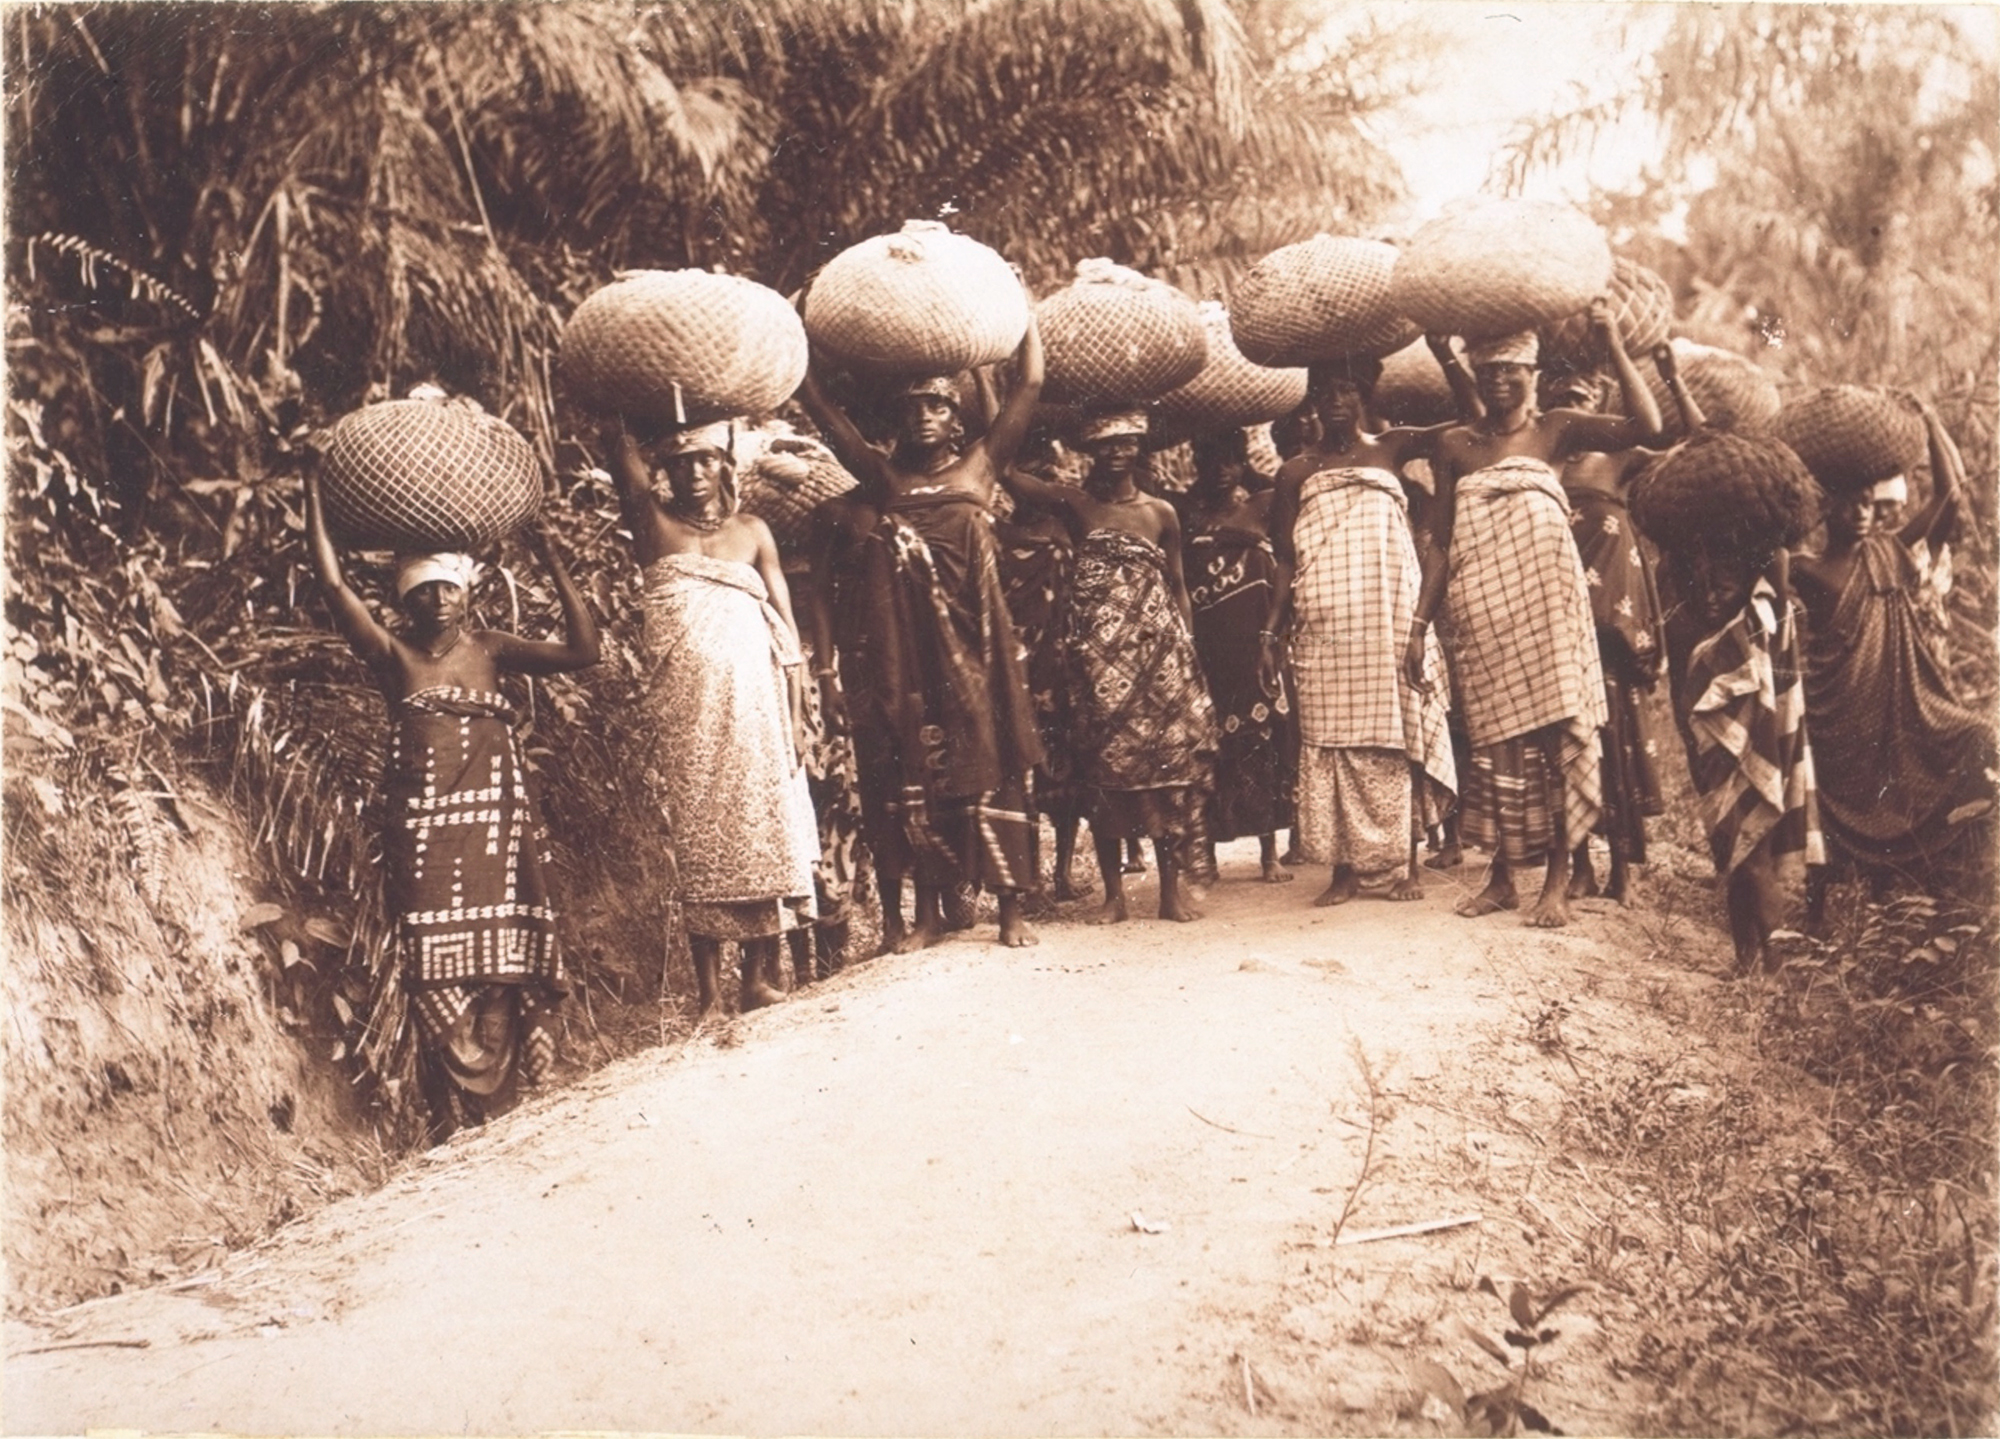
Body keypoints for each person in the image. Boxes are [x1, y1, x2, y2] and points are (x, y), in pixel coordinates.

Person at [303, 475, 599, 1144]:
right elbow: (332, 585)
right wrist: (314, 483)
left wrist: (551, 559)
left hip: (496, 829)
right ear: (403, 600)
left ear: (468, 591)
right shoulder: (394, 653)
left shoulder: (490, 648)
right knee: (434, 962)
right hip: (424, 832)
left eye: (448, 587)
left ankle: (504, 1103)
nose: (438, 600)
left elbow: (586, 650)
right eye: (422, 589)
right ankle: (447, 1117)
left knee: (500, 959)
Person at [1407, 304, 1663, 927]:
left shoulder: (1559, 430)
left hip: (1549, 610)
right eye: (1488, 368)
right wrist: (1418, 626)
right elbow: (1439, 541)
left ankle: (1554, 881)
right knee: (1494, 742)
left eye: (1512, 369)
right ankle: (1501, 879)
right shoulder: (1455, 446)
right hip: (1482, 612)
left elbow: (1645, 423)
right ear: (1473, 370)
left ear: (1533, 371)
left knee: (1555, 739)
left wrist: (1611, 339)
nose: (1500, 380)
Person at [799, 323, 1046, 951]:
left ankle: (1011, 908)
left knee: (993, 767)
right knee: (916, 773)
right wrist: (796, 341)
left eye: (935, 405)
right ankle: (930, 913)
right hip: (907, 660)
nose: (922, 418)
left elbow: (1031, 383)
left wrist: (1020, 314)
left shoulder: (981, 467)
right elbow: (825, 413)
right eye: (910, 409)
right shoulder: (884, 483)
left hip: (977, 657)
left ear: (956, 416)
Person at [605, 419, 821, 1015]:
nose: (693, 474)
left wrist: (800, 707)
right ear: (663, 473)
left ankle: (754, 979)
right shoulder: (655, 526)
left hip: (757, 703)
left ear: (724, 464)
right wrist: (625, 404)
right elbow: (623, 458)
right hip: (688, 710)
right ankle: (706, 994)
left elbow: (786, 626)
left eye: (703, 461)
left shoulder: (753, 532)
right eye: (679, 464)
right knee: (700, 839)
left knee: (761, 828)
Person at [1000, 408, 1217, 924]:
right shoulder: (1078, 506)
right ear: (1091, 452)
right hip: (1096, 658)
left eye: (1126, 442)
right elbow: (1010, 478)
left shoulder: (1162, 512)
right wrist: (1000, 402)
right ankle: (1113, 896)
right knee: (1101, 770)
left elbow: (1179, 587)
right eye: (1106, 443)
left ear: (1139, 447)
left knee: (1165, 769)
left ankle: (1169, 892)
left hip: (1158, 655)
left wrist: (1187, 649)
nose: (1116, 452)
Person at [1262, 358, 1457, 904]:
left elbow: (1468, 424)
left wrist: (1443, 356)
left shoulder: (1391, 448)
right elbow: (1283, 559)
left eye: (1347, 390)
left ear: (1365, 395)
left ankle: (1406, 866)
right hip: (1324, 625)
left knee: (1401, 732)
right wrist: (1270, 635)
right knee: (1332, 742)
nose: (1336, 402)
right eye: (1325, 392)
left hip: (1388, 618)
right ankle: (1344, 872)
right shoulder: (1296, 471)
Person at [1788, 400, 1993, 920]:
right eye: (1846, 505)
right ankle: (1816, 915)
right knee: (1833, 804)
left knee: (1974, 734)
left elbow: (1949, 494)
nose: (1858, 514)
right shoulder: (1805, 568)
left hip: (1898, 705)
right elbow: (1772, 544)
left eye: (1866, 504)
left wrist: (1928, 424)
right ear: (1825, 510)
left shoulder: (1888, 551)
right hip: (1838, 714)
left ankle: (1946, 894)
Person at [1544, 351, 1677, 902]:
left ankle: (1621, 868)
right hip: (1558, 622)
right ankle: (1580, 866)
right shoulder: (1539, 462)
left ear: (1596, 405)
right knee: (1569, 744)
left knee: (1616, 739)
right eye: (1562, 401)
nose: (1572, 411)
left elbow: (1677, 435)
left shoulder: (1617, 457)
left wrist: (1655, 370)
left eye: (1582, 400)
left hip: (1613, 629)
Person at [1664, 542, 1825, 972]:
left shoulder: (1759, 617)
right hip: (1714, 752)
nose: (1711, 597)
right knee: (1731, 855)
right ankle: (1744, 959)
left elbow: (1778, 558)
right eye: (1703, 589)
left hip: (1756, 749)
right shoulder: (1691, 623)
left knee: (1754, 859)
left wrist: (1753, 523)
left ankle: (1775, 968)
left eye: (1722, 588)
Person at [1184, 428, 1297, 884]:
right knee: (1208, 749)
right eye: (1210, 460)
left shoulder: (1262, 503)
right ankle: (1206, 856)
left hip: (1253, 642)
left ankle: (1269, 854)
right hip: (1206, 645)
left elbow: (1289, 487)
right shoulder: (1184, 511)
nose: (1220, 470)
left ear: (1242, 462)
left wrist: (1273, 637)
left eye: (1229, 460)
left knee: (1261, 743)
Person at [993, 430, 1089, 907]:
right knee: (1023, 775)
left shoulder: (1064, 531)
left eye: (1046, 479)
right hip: (1015, 668)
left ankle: (1063, 871)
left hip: (1060, 665)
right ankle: (1028, 881)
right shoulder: (997, 534)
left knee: (1066, 779)